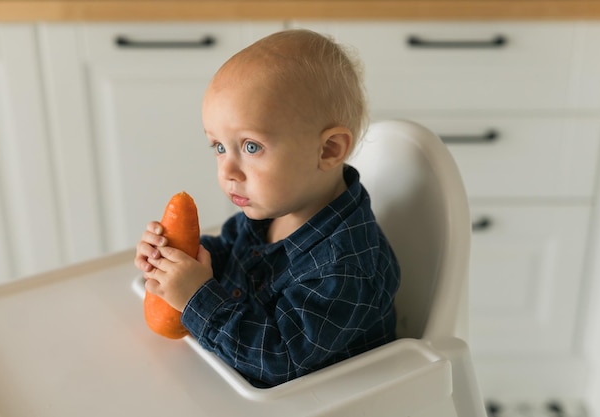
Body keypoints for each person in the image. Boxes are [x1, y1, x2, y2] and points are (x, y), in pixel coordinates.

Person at [134, 29, 400, 388]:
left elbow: (278, 359)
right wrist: (178, 261)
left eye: (251, 147)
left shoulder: (346, 268)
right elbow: (229, 254)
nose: (227, 171)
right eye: (218, 147)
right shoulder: (273, 207)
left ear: (328, 151)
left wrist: (197, 297)